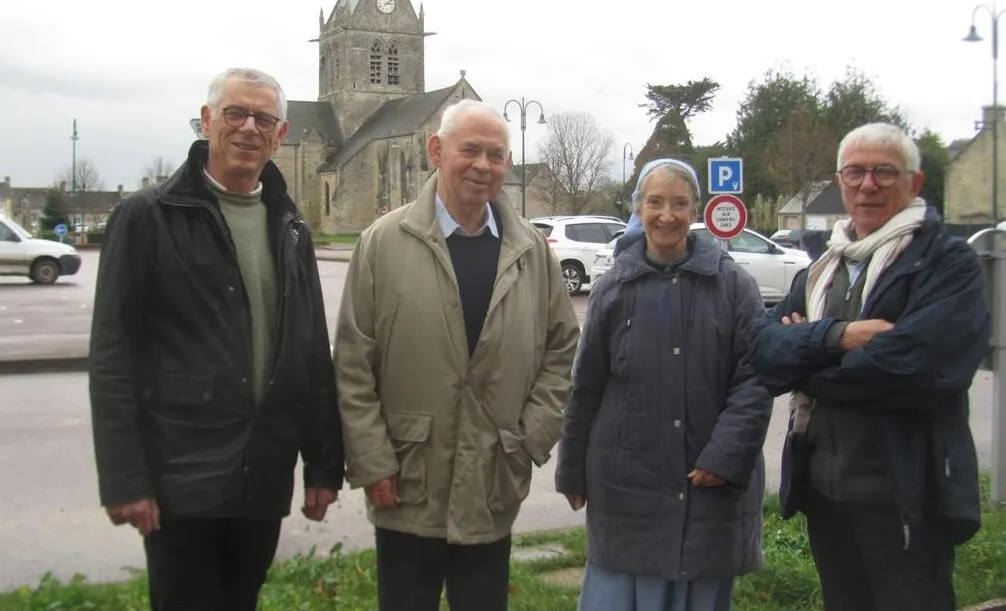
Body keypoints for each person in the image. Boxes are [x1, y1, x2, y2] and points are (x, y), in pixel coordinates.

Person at [88, 67, 344, 611]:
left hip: (263, 477)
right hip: (182, 478)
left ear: (281, 134)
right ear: (207, 122)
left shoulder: (290, 227)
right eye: (235, 113)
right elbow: (112, 357)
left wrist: (323, 465)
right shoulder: (146, 218)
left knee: (240, 601)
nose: (249, 128)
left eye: (264, 119)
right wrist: (124, 478)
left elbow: (308, 353)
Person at [334, 98, 580, 611]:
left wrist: (530, 435)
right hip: (406, 480)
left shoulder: (531, 252)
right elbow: (354, 362)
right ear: (435, 150)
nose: (482, 165)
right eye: (469, 150)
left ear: (508, 164)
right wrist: (373, 460)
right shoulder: (383, 242)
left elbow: (561, 350)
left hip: (492, 478)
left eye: (496, 154)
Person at [749, 123, 989, 611]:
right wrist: (839, 337)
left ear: (914, 184)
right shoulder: (822, 269)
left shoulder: (947, 264)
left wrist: (807, 358)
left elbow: (913, 372)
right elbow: (764, 351)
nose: (868, 184)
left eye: (884, 172)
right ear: (840, 181)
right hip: (825, 492)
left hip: (905, 494)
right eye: (855, 172)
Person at [556, 159, 772, 611]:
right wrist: (572, 467)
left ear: (695, 211)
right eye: (655, 202)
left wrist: (725, 456)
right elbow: (587, 385)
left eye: (679, 203)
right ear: (638, 209)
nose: (667, 215)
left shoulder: (733, 286)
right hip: (626, 482)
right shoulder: (613, 287)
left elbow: (755, 378)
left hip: (708, 481)